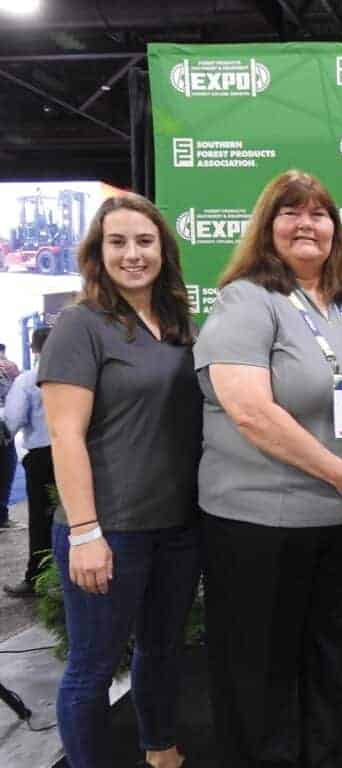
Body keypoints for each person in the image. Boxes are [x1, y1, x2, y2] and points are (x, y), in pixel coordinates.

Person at [194, 169, 342, 768]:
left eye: (319, 213)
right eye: (291, 212)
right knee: (260, 666)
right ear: (268, 227)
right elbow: (252, 413)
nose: (306, 223)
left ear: (335, 229)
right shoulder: (246, 300)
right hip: (260, 521)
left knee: (329, 655)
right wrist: (339, 472)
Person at [38, 193, 202, 768]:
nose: (133, 254)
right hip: (110, 530)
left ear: (163, 250)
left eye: (144, 241)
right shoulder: (80, 326)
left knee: (161, 650)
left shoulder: (181, 325)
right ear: (97, 252)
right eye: (118, 242)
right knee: (92, 665)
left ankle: (160, 750)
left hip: (178, 527)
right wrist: (85, 531)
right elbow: (64, 436)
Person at [4, 326, 55, 597]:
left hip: (41, 457)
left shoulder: (28, 380)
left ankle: (36, 578)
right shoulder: (81, 374)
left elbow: (13, 418)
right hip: (79, 451)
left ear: (34, 349)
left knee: (40, 518)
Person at [0, 343, 21, 528]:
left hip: (5, 427)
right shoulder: (8, 370)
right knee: (6, 468)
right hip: (4, 427)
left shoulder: (9, 370)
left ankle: (2, 516)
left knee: (6, 468)